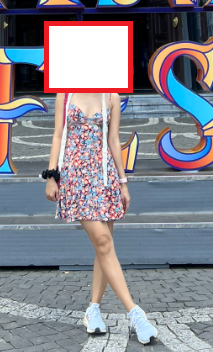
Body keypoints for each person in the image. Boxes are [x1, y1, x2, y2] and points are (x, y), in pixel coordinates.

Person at [43, 91, 158, 345]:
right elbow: (58, 135)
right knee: (104, 241)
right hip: (75, 176)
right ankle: (135, 313)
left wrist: (123, 183)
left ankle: (93, 309)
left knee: (103, 247)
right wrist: (51, 175)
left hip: (104, 177)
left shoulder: (111, 96)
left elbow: (113, 140)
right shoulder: (65, 94)